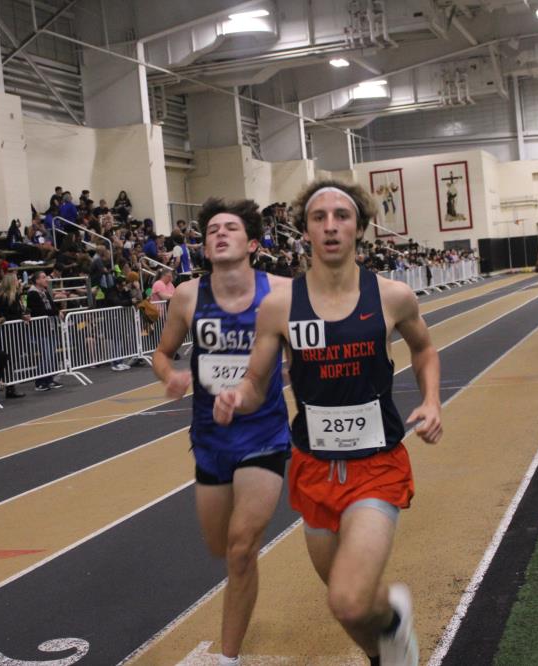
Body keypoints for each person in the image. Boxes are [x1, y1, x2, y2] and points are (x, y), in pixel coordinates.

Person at [213, 180, 442, 666]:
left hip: (376, 467)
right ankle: (385, 648)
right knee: (348, 605)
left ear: (360, 227)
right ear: (305, 230)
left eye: (342, 216)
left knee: (348, 599)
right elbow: (255, 381)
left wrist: (432, 401)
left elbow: (423, 349)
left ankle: (392, 619)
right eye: (319, 217)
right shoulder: (279, 306)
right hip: (314, 470)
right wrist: (236, 397)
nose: (331, 226)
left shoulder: (392, 296)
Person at [153, 197, 291, 665]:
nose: (219, 234)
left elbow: (306, 350)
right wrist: (170, 376)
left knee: (240, 548)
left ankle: (227, 658)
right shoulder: (188, 295)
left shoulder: (281, 292)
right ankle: (243, 586)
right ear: (204, 246)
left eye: (230, 227)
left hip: (263, 433)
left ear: (252, 243)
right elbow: (162, 353)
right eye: (212, 229)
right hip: (210, 438)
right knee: (219, 546)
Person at [26, 271, 62, 392]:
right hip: (40, 329)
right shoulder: (32, 293)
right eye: (43, 277)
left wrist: (57, 311)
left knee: (51, 355)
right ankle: (40, 381)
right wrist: (56, 312)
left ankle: (49, 379)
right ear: (37, 281)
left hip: (50, 326)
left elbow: (52, 306)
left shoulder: (45, 291)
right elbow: (40, 311)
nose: (46, 279)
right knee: (46, 355)